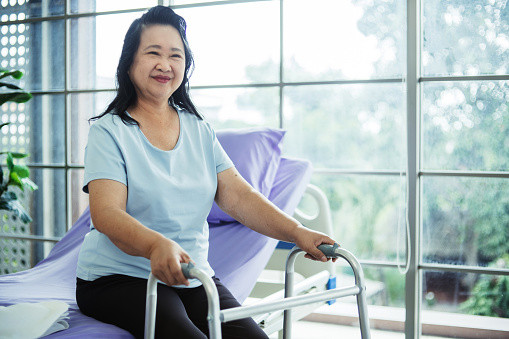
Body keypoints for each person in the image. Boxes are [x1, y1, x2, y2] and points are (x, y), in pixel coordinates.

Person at [75, 5, 338, 339]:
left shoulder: (199, 130)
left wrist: (298, 232)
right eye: (153, 52)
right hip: (117, 278)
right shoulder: (108, 132)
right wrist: (157, 246)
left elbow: (240, 197)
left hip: (191, 273)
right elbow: (106, 213)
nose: (165, 64)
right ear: (129, 62)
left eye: (176, 55)